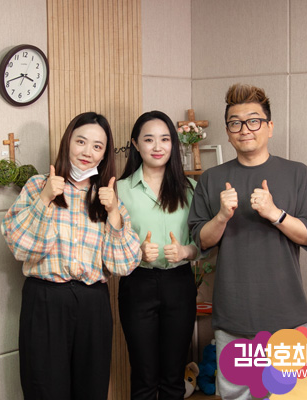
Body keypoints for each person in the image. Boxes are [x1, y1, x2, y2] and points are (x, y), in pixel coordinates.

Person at [187, 84, 307, 399]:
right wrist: (222, 216)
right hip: (233, 317)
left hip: (287, 315)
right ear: (228, 132)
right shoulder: (211, 179)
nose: (244, 129)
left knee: (288, 396)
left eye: (253, 121)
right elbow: (201, 241)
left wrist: (275, 214)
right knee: (236, 396)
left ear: (269, 127)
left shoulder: (298, 174)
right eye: (235, 123)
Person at [1, 112, 142, 400]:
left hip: (93, 304)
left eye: (97, 146)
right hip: (46, 300)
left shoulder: (107, 196)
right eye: (81, 141)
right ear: (67, 142)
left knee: (91, 389)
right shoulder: (38, 185)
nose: (88, 152)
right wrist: (45, 198)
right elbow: (20, 246)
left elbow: (124, 265)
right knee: (44, 388)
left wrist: (114, 212)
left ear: (104, 154)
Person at [117, 110, 199, 400]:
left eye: (165, 139)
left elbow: (202, 242)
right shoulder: (119, 190)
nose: (157, 146)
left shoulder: (190, 189)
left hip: (179, 284)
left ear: (173, 144)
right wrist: (136, 252)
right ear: (135, 144)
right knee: (143, 376)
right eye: (149, 139)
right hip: (137, 283)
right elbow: (108, 243)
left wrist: (185, 251)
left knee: (174, 377)